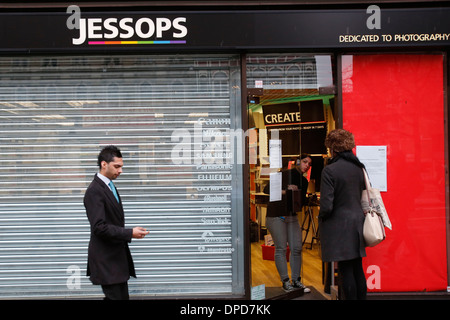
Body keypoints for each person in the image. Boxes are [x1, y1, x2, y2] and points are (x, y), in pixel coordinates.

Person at [84, 145, 149, 300]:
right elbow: (99, 228)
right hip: (106, 260)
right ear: (104, 164)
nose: (120, 171)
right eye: (117, 166)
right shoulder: (94, 191)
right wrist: (129, 233)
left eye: (121, 167)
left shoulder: (109, 186)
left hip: (115, 259)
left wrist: (129, 232)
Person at [318, 129, 367, 300]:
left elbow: (326, 205)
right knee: (357, 268)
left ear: (334, 148)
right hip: (357, 224)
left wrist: (322, 217)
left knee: (345, 270)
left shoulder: (330, 171)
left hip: (339, 226)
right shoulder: (359, 168)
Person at [264, 154, 312, 293]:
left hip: (291, 216)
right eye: (304, 162)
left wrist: (296, 194)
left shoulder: (304, 181)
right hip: (276, 215)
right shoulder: (283, 174)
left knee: (296, 248)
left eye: (309, 163)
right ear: (297, 162)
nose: (307, 165)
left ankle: (296, 280)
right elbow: (267, 190)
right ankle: (285, 281)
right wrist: (286, 191)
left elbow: (301, 202)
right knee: (281, 248)